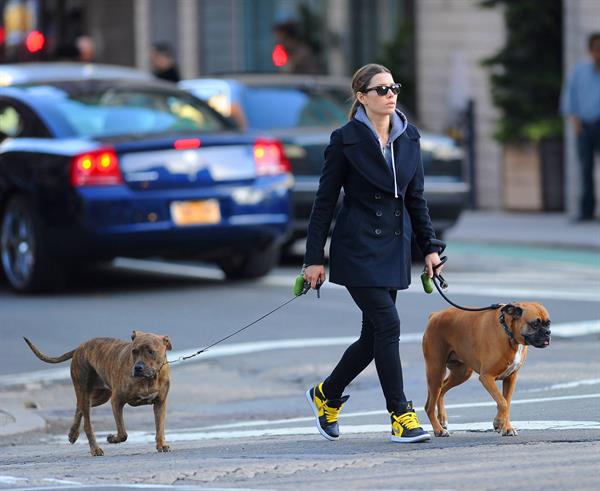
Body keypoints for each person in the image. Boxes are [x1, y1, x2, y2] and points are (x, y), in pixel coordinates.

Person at [303, 63, 444, 444]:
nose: (390, 94)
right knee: (389, 325)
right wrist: (314, 257)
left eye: (393, 87)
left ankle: (326, 394)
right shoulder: (345, 140)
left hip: (393, 248)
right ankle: (401, 414)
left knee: (374, 335)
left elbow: (416, 199)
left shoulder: (409, 137)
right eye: (380, 89)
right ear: (362, 97)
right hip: (357, 248)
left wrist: (430, 248)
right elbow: (325, 202)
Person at [561, 32, 600, 221]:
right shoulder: (579, 71)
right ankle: (587, 211)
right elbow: (570, 97)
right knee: (585, 170)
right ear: (589, 50)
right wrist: (574, 121)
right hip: (585, 126)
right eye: (596, 49)